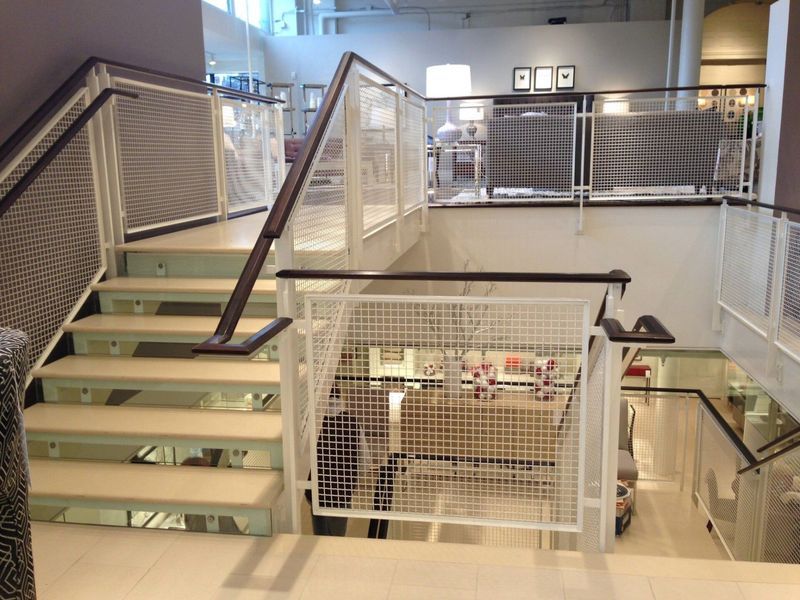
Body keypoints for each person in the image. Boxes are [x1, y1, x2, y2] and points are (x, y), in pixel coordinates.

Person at [305, 386, 368, 536]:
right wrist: (351, 481)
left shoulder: (312, 424)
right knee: (338, 536)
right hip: (342, 491)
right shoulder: (353, 422)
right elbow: (365, 461)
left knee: (320, 535)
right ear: (340, 397)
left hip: (317, 491)